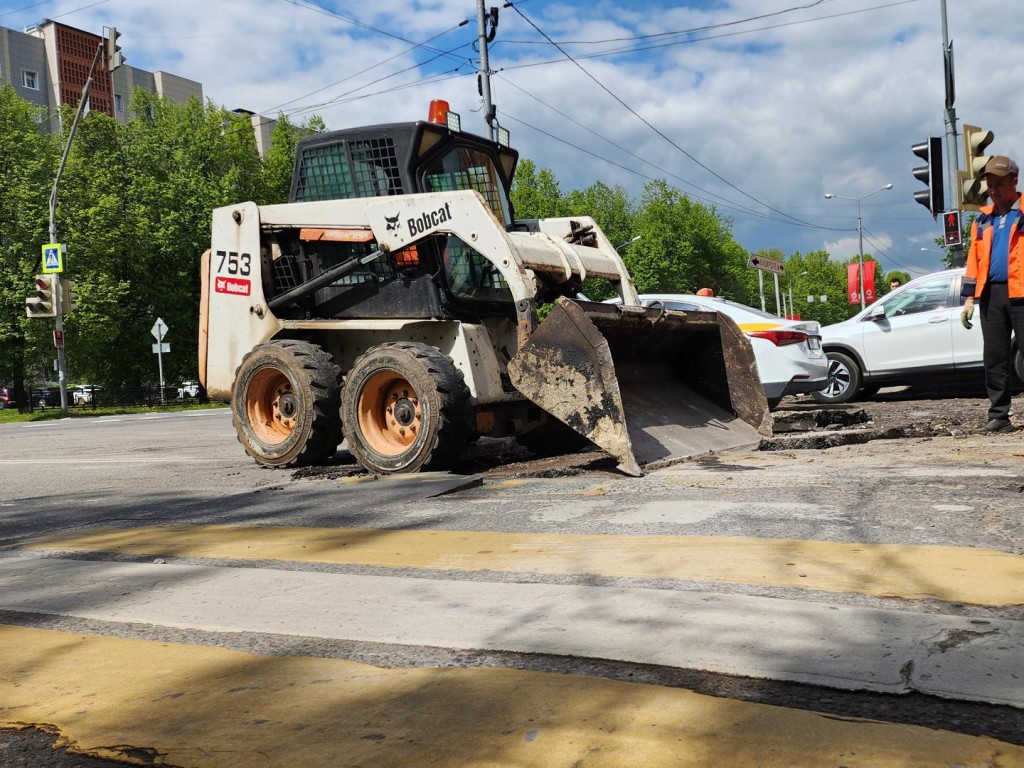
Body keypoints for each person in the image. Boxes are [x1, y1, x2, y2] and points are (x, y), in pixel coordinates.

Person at [960, 154, 1024, 434]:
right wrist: (969, 299)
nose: (994, 191)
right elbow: (974, 260)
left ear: (1014, 181)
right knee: (995, 357)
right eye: (990, 185)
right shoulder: (982, 220)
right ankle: (999, 416)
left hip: (1022, 292)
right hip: (991, 296)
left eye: (999, 184)